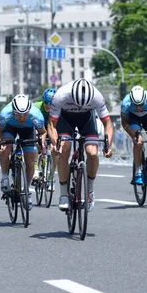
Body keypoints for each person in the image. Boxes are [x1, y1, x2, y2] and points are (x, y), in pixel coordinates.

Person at [47, 79, 114, 212]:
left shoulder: (97, 96)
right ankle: (64, 194)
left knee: (92, 153)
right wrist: (55, 144)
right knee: (64, 150)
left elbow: (108, 124)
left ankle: (89, 191)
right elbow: (51, 125)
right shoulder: (61, 95)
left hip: (86, 119)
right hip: (66, 119)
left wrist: (108, 145)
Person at [0, 94, 46, 211]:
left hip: (28, 130)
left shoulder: (36, 115)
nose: (22, 118)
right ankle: (5, 177)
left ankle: (26, 191)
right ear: (13, 111)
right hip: (9, 128)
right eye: (18, 115)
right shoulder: (5, 114)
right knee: (6, 148)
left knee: (30, 161)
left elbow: (42, 132)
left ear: (29, 111)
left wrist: (41, 143)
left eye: (25, 115)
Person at [32, 88, 58, 188]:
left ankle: (51, 176)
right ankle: (35, 169)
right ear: (43, 100)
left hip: (52, 129)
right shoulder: (37, 107)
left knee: (54, 150)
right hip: (39, 129)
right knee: (36, 143)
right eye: (46, 102)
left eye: (51, 103)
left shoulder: (58, 108)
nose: (48, 105)